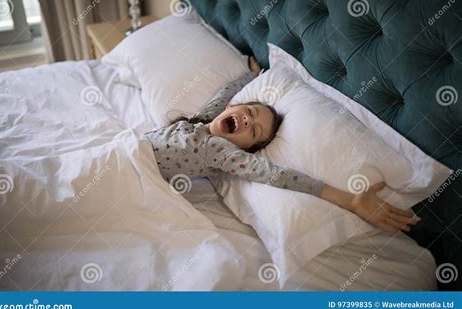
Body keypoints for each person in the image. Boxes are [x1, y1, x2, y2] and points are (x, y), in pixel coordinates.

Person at [143, 57, 418, 233]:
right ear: (230, 109)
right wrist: (252, 75)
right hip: (130, 149)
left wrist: (351, 200)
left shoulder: (217, 150)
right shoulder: (207, 119)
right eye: (249, 114)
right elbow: (224, 94)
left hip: (138, 171)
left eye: (254, 132)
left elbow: (277, 175)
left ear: (241, 151)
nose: (248, 123)